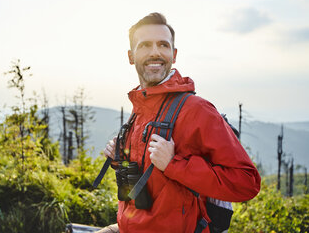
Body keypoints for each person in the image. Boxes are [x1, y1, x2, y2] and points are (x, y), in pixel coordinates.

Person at [98, 12, 261, 233]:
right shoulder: (141, 106)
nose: (155, 52)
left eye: (163, 45)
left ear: (173, 55)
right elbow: (146, 184)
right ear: (130, 56)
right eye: (145, 45)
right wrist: (121, 159)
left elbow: (247, 182)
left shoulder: (197, 110)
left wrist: (174, 164)